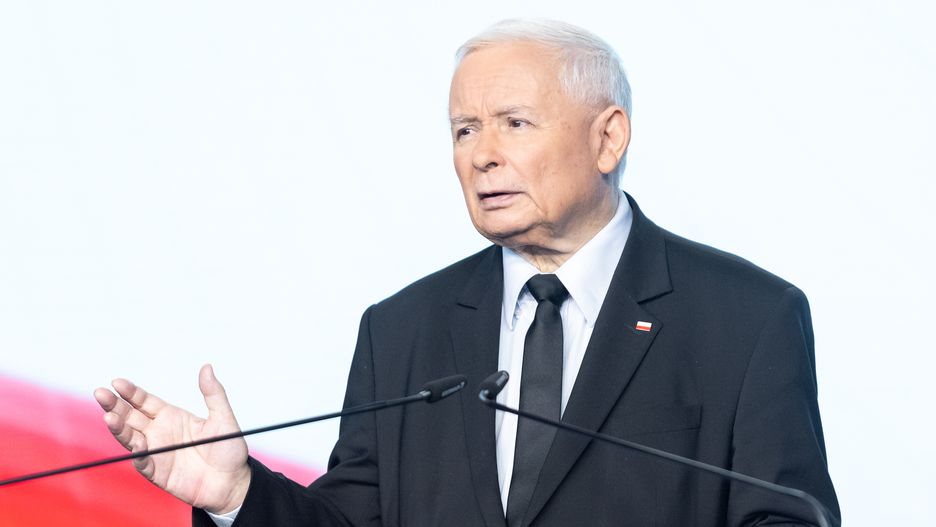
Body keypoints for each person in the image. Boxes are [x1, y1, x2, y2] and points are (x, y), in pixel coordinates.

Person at [94, 18, 840, 527]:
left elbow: (789, 515)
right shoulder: (404, 329)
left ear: (608, 137)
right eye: (463, 130)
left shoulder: (746, 319)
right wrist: (237, 493)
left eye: (514, 123)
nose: (481, 154)